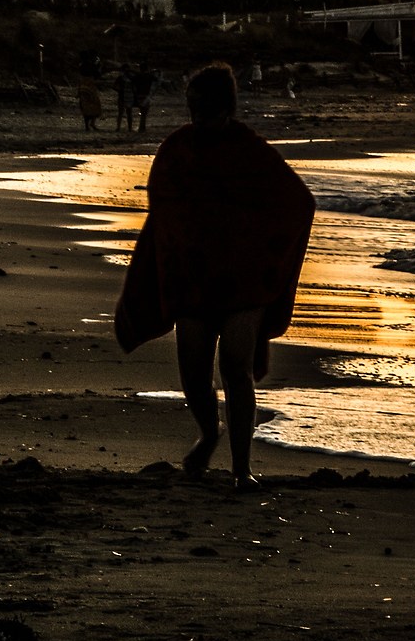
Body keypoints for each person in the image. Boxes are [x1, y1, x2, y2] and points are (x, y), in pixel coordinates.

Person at [114, 63, 316, 489]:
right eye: (191, 107)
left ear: (226, 108)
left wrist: (267, 262)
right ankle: (209, 434)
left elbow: (298, 202)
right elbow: (163, 205)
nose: (196, 116)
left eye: (204, 108)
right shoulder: (177, 149)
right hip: (193, 277)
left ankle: (242, 469)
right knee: (192, 366)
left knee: (235, 367)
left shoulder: (252, 151)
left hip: (244, 282)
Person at [131, 66, 157, 133]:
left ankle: (141, 127)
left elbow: (132, 83)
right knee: (144, 113)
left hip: (138, 95)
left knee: (142, 112)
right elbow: (157, 80)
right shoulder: (149, 76)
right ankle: (142, 127)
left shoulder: (137, 76)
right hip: (146, 95)